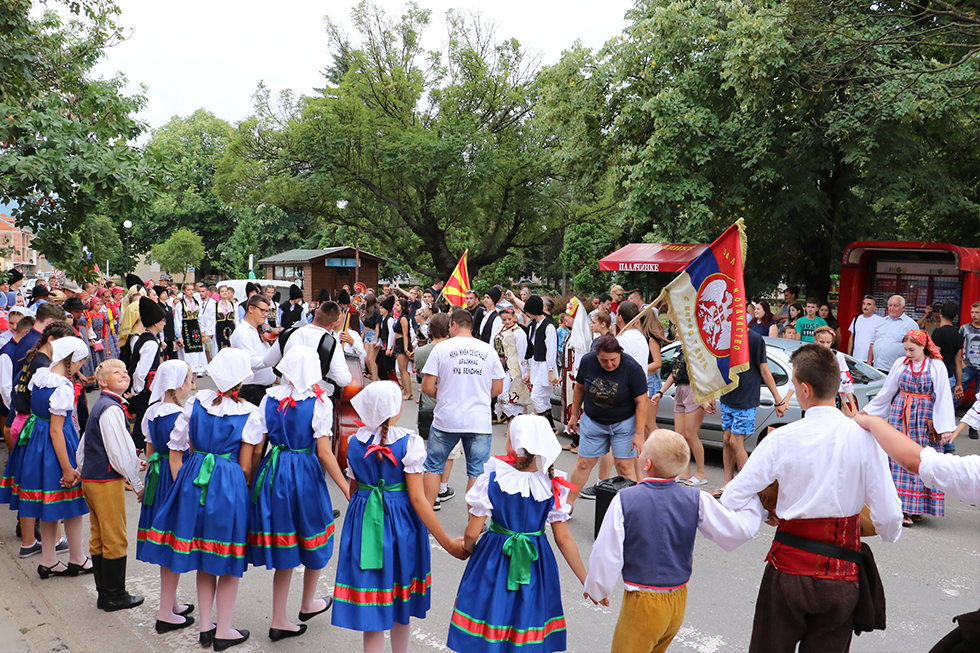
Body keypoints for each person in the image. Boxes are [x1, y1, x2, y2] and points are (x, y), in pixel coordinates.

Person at [721, 344, 903, 652]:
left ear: (804, 389)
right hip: (843, 578)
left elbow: (733, 497)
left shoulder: (779, 438)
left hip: (788, 572)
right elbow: (891, 518)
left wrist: (768, 513)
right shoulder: (863, 438)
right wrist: (886, 533)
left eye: (793, 383)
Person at [585, 429, 763, 653]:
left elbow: (606, 551)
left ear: (646, 463)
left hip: (643, 600)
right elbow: (735, 530)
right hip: (678, 599)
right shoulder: (696, 498)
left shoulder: (625, 499)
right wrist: (756, 504)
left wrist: (596, 587)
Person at [141, 348, 262, 651]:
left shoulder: (196, 402)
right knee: (227, 557)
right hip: (228, 481)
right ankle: (223, 630)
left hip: (195, 476)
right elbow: (247, 464)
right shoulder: (250, 411)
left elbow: (177, 447)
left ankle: (206, 626)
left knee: (205, 557)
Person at [332, 381, 467, 653]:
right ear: (395, 410)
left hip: (364, 524)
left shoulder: (355, 442)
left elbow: (353, 491)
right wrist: (447, 543)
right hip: (400, 525)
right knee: (398, 599)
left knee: (373, 602)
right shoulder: (410, 443)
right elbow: (418, 499)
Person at [448, 415, 587, 653]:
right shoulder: (552, 482)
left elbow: (472, 531)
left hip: (494, 557)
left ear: (516, 444)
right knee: (527, 613)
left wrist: (466, 547)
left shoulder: (493, 478)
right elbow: (564, 539)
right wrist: (587, 580)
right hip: (536, 561)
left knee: (491, 610)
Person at [246, 346, 351, 642]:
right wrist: (346, 489)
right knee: (317, 532)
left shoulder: (269, 398)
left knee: (286, 545)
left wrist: (252, 482)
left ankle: (279, 617)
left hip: (273, 472)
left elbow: (257, 448)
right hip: (303, 472)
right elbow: (325, 454)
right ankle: (307, 602)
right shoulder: (318, 403)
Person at [861, 330, 955, 526]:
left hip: (923, 418)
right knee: (898, 458)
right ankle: (901, 508)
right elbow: (888, 391)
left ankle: (917, 508)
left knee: (922, 459)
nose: (908, 353)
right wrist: (869, 412)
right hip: (900, 415)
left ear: (923, 347)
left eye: (911, 349)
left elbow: (944, 396)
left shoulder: (936, 366)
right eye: (905, 349)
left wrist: (945, 428)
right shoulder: (900, 364)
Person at [18, 337, 93, 579]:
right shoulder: (61, 385)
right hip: (57, 444)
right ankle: (77, 557)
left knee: (48, 505)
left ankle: (48, 559)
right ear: (72, 359)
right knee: (71, 504)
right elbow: (56, 429)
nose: (80, 367)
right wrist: (67, 467)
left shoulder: (40, 376)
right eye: (80, 361)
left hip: (39, 444)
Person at [77, 359, 145, 611]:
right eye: (117, 372)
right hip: (106, 481)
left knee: (99, 535)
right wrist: (137, 484)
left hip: (92, 480)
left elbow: (84, 445)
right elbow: (118, 452)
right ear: (103, 382)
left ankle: (104, 593)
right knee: (115, 536)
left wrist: (80, 469)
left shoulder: (101, 405)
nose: (124, 374)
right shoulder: (112, 409)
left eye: (126, 371)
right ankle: (116, 595)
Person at [135, 360, 196, 631]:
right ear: (180, 384)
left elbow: (150, 453)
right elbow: (176, 460)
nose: (192, 384)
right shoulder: (181, 416)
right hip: (172, 484)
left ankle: (170, 603)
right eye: (191, 379)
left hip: (156, 481)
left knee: (165, 544)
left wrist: (149, 483)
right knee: (172, 545)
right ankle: (165, 613)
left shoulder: (152, 412)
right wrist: (181, 492)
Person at [420, 309, 505, 505]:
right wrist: (479, 395)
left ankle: (424, 517)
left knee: (433, 467)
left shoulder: (441, 349)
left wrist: (443, 395)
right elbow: (498, 387)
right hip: (478, 420)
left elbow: (426, 386)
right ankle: (474, 523)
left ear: (454, 325)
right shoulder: (488, 350)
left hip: (447, 417)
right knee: (477, 472)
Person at [565, 334, 647, 507]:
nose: (609, 364)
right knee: (583, 463)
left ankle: (631, 509)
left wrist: (639, 434)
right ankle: (567, 505)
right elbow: (579, 388)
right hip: (593, 421)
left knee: (624, 467)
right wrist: (573, 416)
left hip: (623, 422)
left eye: (613, 359)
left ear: (620, 354)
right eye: (603, 360)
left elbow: (641, 402)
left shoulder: (632, 368)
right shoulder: (588, 361)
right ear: (596, 355)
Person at [712, 329, 783, 494]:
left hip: (746, 399)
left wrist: (778, 400)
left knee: (735, 441)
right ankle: (727, 483)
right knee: (726, 439)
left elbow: (765, 370)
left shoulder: (755, 339)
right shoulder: (723, 335)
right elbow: (718, 367)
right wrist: (711, 396)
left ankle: (747, 487)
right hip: (726, 396)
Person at [262, 301, 353, 402]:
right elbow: (343, 380)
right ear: (334, 323)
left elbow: (267, 361)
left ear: (316, 312)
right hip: (317, 402)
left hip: (286, 397)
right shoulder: (332, 344)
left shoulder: (289, 333)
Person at [414, 313, 459, 509]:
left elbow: (419, 378)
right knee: (449, 451)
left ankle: (431, 494)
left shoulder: (422, 352)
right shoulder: (456, 350)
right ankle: (442, 487)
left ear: (430, 331)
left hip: (428, 404)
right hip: (451, 404)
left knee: (428, 449)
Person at [650, 345, 711, 486]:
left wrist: (706, 399)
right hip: (680, 390)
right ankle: (684, 471)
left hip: (694, 390)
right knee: (679, 435)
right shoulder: (679, 348)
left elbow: (704, 374)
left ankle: (701, 472)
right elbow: (674, 373)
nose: (676, 329)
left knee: (691, 434)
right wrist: (660, 392)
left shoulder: (697, 346)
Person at [127, 297, 166, 453]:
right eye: (163, 320)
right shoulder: (150, 342)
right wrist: (136, 390)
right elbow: (141, 371)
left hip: (144, 388)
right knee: (142, 423)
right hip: (144, 390)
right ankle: (136, 453)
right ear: (156, 323)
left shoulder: (146, 338)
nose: (165, 323)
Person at [229, 295, 276, 407]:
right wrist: (274, 358)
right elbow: (250, 361)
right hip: (251, 390)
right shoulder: (242, 333)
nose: (265, 315)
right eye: (263, 311)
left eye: (267, 312)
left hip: (264, 389)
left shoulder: (260, 330)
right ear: (251, 309)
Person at [523, 296, 559, 427]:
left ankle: (547, 424)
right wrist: (530, 371)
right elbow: (533, 350)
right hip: (537, 364)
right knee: (543, 399)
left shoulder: (548, 326)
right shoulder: (534, 325)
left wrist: (550, 371)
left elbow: (551, 350)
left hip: (545, 366)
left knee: (536, 397)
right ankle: (550, 427)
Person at [930, 302, 961, 451]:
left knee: (937, 410)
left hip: (939, 378)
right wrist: (959, 383)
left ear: (940, 312)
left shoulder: (938, 333)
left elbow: (936, 356)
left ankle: (944, 443)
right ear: (955, 316)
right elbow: (958, 360)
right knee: (948, 409)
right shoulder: (957, 334)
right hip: (951, 376)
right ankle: (950, 442)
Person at [495, 308, 532, 422]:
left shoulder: (518, 332)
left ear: (514, 318)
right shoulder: (499, 329)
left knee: (509, 396)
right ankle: (513, 419)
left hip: (514, 367)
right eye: (504, 319)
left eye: (509, 319)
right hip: (501, 367)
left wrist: (525, 370)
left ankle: (518, 417)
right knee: (502, 395)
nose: (506, 322)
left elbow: (522, 351)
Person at [869, 294, 919, 372]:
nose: (892, 308)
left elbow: (916, 349)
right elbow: (872, 344)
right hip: (876, 368)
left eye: (895, 306)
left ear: (903, 308)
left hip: (897, 370)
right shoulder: (881, 322)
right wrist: (869, 364)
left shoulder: (911, 325)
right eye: (890, 305)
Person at [174, 283, 208, 375]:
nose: (191, 292)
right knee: (187, 352)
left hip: (195, 328)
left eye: (192, 290)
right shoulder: (180, 304)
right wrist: (179, 336)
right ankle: (188, 375)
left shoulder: (196, 302)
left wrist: (203, 333)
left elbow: (200, 318)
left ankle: (195, 378)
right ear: (184, 291)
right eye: (188, 290)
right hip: (186, 328)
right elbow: (178, 320)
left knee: (198, 351)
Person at [955, 301, 980, 413]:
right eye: (972, 312)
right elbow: (957, 347)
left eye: (977, 312)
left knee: (978, 401)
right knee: (956, 394)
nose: (974, 315)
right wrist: (962, 363)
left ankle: (973, 427)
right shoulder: (964, 328)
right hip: (967, 367)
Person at [846, 295, 885, 363]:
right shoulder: (856, 319)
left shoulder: (880, 321)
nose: (865, 306)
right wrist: (849, 356)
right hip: (855, 358)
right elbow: (852, 338)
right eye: (864, 304)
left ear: (874, 308)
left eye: (869, 304)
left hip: (871, 360)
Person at [393, 298, 415, 401]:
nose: (396, 307)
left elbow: (405, 334)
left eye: (398, 305)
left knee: (404, 370)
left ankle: (409, 392)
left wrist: (406, 348)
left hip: (402, 342)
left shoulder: (403, 319)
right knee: (401, 370)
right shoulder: (399, 318)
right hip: (398, 342)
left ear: (402, 307)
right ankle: (406, 390)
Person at [213, 284, 239, 351]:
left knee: (231, 344)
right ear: (219, 293)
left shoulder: (233, 304)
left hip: (231, 327)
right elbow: (213, 319)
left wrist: (237, 328)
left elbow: (236, 317)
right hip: (220, 328)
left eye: (226, 291)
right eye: (222, 291)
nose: (224, 293)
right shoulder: (216, 305)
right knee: (221, 345)